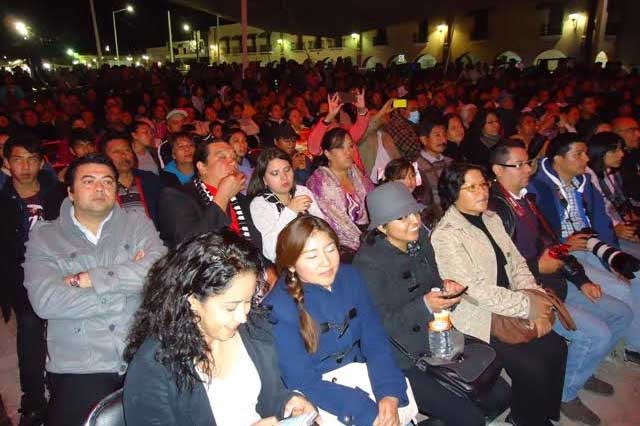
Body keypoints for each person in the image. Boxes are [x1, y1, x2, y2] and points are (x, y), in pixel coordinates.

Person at [489, 140, 632, 425]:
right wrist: (536, 266)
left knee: (622, 313)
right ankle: (566, 393)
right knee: (597, 334)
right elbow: (495, 267)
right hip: (532, 293)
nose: (528, 169)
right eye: (519, 165)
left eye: (528, 162)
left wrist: (580, 279)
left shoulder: (527, 201)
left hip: (558, 282)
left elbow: (555, 245)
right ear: (497, 170)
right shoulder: (494, 210)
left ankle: (577, 372)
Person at [23, 153, 166, 426]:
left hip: (142, 352)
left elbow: (159, 272)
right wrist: (126, 290)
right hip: (81, 362)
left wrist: (88, 279)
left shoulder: (137, 223)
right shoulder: (45, 236)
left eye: (107, 181)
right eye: (89, 181)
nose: (100, 188)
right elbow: (46, 301)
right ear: (71, 192)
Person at [353, 182, 511, 426]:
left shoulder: (421, 240)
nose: (414, 220)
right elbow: (378, 327)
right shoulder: (367, 264)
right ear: (383, 227)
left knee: (500, 394)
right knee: (469, 418)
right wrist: (424, 306)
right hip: (401, 358)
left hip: (438, 337)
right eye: (402, 218)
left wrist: (447, 292)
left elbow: (434, 283)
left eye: (414, 212)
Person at [123, 231, 317, 426]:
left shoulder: (253, 329)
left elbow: (270, 396)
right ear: (192, 300)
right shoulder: (153, 366)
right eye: (230, 307)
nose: (242, 316)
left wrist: (288, 403)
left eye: (248, 301)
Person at [431, 163, 568, 426]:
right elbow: (476, 290)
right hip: (480, 315)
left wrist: (534, 294)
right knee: (533, 366)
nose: (481, 192)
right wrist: (527, 306)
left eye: (483, 184)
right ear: (452, 193)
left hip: (512, 301)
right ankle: (529, 420)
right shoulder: (447, 235)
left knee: (556, 347)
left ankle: (537, 414)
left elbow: (516, 263)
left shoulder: (492, 219)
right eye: (471, 187)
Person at [265, 215, 415, 425]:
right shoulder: (278, 307)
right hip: (326, 398)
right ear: (291, 264)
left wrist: (389, 392)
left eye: (330, 249)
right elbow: (301, 380)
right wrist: (365, 411)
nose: (326, 263)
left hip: (366, 377)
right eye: (311, 256)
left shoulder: (350, 277)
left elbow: (375, 339)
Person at [528, 132, 640, 364]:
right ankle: (631, 346)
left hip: (592, 245)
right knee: (622, 290)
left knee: (635, 275)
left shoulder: (585, 183)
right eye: (578, 154)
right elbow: (537, 236)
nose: (586, 159)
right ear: (558, 159)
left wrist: (613, 258)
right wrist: (564, 245)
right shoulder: (537, 187)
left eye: (585, 153)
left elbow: (601, 222)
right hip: (565, 253)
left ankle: (629, 338)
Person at [0, 134, 66, 426]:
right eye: (18, 159)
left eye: (31, 159)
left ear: (41, 163)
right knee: (29, 325)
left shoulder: (58, 193)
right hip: (21, 275)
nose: (25, 166)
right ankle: (33, 398)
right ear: (6, 163)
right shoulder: (2, 201)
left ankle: (65, 385)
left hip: (62, 270)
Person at [158, 141, 261, 250]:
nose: (233, 162)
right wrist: (223, 196)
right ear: (202, 167)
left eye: (234, 158)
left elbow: (258, 243)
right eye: (222, 157)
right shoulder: (175, 196)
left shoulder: (241, 200)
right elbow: (188, 247)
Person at [248, 148, 325, 262]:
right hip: (289, 262)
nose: (284, 177)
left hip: (317, 251)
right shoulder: (260, 205)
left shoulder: (302, 191)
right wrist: (290, 211)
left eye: (287, 170)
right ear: (264, 180)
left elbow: (323, 226)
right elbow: (271, 252)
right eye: (275, 173)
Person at [306, 128, 373, 254]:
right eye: (340, 148)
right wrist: (367, 242)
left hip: (368, 234)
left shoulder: (356, 173)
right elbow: (338, 225)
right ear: (328, 154)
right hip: (340, 246)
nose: (348, 152)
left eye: (350, 146)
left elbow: (374, 201)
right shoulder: (319, 183)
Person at [101, 132, 163, 225]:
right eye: (116, 152)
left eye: (127, 150)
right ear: (105, 157)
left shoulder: (150, 180)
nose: (123, 155)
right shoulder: (101, 187)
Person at [415, 120, 453, 224]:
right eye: (437, 135)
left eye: (444, 134)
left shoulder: (450, 162)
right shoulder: (417, 167)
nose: (443, 139)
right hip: (435, 221)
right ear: (424, 139)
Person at [612, 116, 640, 204]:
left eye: (638, 130)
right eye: (632, 130)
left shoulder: (635, 152)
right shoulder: (617, 160)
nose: (638, 135)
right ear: (617, 134)